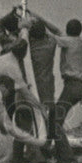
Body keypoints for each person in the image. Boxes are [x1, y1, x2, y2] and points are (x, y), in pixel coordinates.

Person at [0, 38, 41, 163]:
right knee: (7, 130)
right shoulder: (13, 66)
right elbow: (25, 93)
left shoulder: (3, 59)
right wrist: (40, 107)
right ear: (23, 53)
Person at [46, 19, 82, 163]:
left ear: (68, 30)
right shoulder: (78, 41)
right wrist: (37, 17)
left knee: (56, 121)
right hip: (77, 86)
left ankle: (65, 158)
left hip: (72, 86)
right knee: (54, 116)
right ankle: (51, 148)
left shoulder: (68, 42)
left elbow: (52, 36)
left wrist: (32, 25)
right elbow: (55, 30)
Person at [25, 19, 58, 150]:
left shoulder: (29, 48)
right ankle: (47, 146)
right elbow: (57, 31)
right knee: (50, 116)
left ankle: (36, 148)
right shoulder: (50, 45)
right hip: (47, 86)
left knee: (32, 118)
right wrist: (36, 16)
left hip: (33, 87)